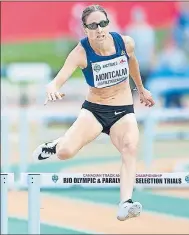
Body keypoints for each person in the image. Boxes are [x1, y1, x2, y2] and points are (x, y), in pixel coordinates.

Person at [33, 4, 155, 221]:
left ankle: (125, 203)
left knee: (130, 147)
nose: (99, 29)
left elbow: (133, 62)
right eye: (93, 25)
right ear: (85, 28)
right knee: (65, 153)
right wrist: (52, 89)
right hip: (95, 111)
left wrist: (141, 89)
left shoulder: (125, 42)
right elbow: (58, 79)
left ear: (109, 24)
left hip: (123, 110)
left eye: (103, 24)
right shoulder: (80, 53)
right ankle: (57, 144)